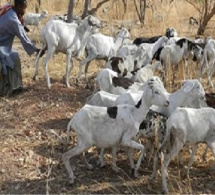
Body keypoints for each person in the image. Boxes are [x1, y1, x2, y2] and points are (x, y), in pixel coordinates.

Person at [0, 0, 42, 96]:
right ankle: (13, 88)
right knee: (13, 58)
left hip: (3, 43)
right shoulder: (13, 20)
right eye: (23, 8)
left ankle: (14, 86)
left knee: (13, 55)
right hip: (2, 45)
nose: (24, 11)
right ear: (18, 6)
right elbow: (23, 38)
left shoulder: (8, 8)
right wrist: (36, 49)